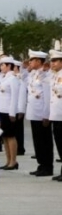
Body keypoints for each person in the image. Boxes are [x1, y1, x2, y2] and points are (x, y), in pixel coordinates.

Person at [26, 50, 53, 176]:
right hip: (34, 112)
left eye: (31, 60)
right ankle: (41, 164)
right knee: (37, 141)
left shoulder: (45, 76)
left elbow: (47, 97)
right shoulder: (33, 74)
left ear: (38, 61)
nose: (29, 62)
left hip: (42, 113)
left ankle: (47, 166)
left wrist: (46, 115)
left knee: (45, 141)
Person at [0, 57, 20, 170]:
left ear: (9, 66)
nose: (1, 67)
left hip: (8, 112)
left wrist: (12, 113)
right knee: (4, 136)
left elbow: (14, 97)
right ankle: (8, 160)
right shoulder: (2, 78)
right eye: (0, 65)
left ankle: (13, 161)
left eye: (3, 65)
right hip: (0, 111)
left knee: (10, 136)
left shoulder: (13, 79)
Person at [49, 49, 62, 182]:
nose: (52, 64)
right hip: (56, 114)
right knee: (59, 143)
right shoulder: (55, 75)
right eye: (51, 61)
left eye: (55, 61)